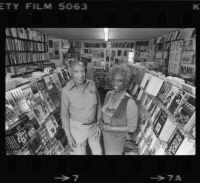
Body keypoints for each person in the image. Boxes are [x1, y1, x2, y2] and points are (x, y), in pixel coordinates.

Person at [61, 61, 102, 155]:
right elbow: (64, 114)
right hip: (77, 129)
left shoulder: (91, 84)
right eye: (76, 72)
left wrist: (99, 121)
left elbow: (98, 103)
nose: (80, 75)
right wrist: (68, 136)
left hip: (93, 127)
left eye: (82, 71)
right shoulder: (66, 91)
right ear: (71, 73)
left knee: (98, 152)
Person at [100, 63, 138, 155]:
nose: (115, 84)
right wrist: (101, 122)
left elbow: (132, 128)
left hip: (117, 140)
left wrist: (111, 128)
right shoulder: (109, 94)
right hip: (105, 137)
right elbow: (105, 113)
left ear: (125, 82)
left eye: (120, 81)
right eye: (114, 80)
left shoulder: (129, 102)